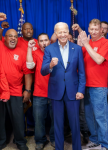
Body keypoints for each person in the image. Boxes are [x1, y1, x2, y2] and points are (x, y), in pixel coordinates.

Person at [0, 12, 33, 150]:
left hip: (15, 90)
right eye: (10, 36)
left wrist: (27, 90)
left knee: (18, 118)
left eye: (15, 36)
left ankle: (20, 142)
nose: (13, 38)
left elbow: (27, 73)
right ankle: (1, 142)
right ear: (5, 38)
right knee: (0, 119)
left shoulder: (22, 51)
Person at [41, 22, 86, 150]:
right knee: (58, 124)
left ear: (68, 32)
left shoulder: (77, 49)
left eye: (64, 32)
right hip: (56, 92)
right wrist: (49, 65)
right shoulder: (49, 49)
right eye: (59, 32)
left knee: (75, 124)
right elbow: (43, 71)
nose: (62, 34)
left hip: (74, 91)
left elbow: (82, 72)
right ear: (55, 33)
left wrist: (81, 90)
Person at [77, 19, 108, 150]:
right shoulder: (87, 43)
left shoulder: (106, 43)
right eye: (91, 29)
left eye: (96, 29)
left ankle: (105, 145)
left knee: (101, 116)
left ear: (101, 30)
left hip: (99, 86)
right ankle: (95, 140)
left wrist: (86, 44)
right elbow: (81, 61)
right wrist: (81, 46)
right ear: (89, 29)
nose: (94, 32)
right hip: (86, 85)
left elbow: (98, 59)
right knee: (89, 116)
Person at [26, 33, 55, 150]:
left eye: (46, 40)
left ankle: (54, 138)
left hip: (54, 93)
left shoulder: (55, 52)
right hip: (39, 92)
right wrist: (29, 48)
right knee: (38, 119)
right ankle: (40, 140)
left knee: (56, 118)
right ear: (38, 43)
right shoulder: (35, 52)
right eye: (41, 41)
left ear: (49, 41)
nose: (44, 43)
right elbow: (29, 65)